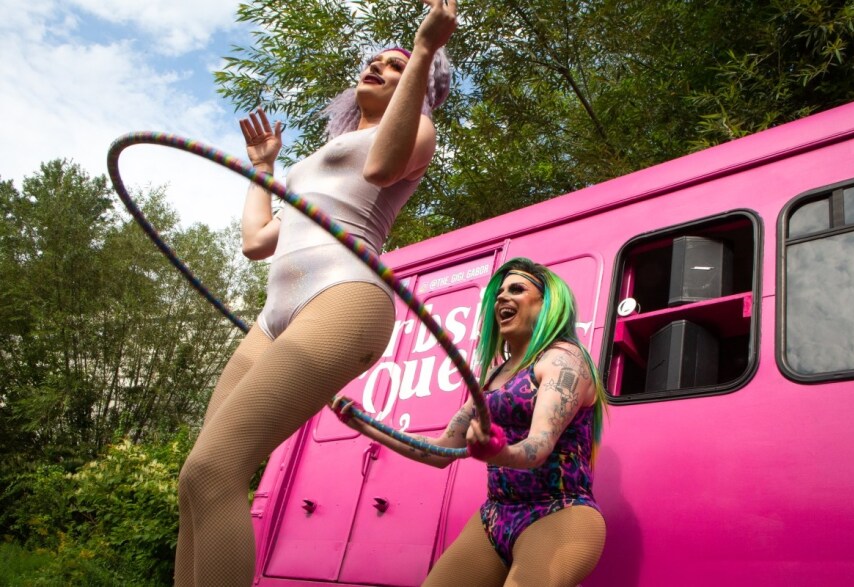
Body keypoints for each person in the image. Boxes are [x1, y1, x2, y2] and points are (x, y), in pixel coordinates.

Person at [173, 2, 457, 585]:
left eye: (395, 66)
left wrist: (425, 48)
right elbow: (258, 242)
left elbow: (380, 169)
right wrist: (264, 169)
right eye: (374, 61)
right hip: (273, 315)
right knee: (193, 482)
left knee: (215, 469)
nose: (378, 66)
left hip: (344, 296)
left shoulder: (417, 130)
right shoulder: (314, 160)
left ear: (422, 86)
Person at [333, 257, 609, 587]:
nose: (502, 298)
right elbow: (439, 452)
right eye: (499, 293)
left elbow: (539, 445)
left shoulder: (564, 359)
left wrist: (499, 453)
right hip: (495, 516)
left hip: (559, 512)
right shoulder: (492, 379)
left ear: (547, 302)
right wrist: (368, 427)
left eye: (517, 289)